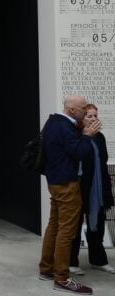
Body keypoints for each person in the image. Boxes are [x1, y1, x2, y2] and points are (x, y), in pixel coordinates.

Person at [38, 94, 100, 295]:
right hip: (67, 184)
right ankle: (62, 278)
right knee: (67, 230)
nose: (85, 110)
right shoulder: (66, 128)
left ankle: (46, 269)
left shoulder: (53, 122)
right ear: (72, 110)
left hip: (54, 181)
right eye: (83, 108)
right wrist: (88, 136)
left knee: (54, 225)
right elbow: (80, 153)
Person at [69, 103, 115, 276]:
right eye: (90, 116)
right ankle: (71, 262)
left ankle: (98, 260)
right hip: (80, 187)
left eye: (96, 115)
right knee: (74, 224)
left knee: (98, 223)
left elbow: (102, 162)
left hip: (98, 187)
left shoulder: (100, 137)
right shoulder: (75, 136)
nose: (94, 119)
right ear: (81, 119)